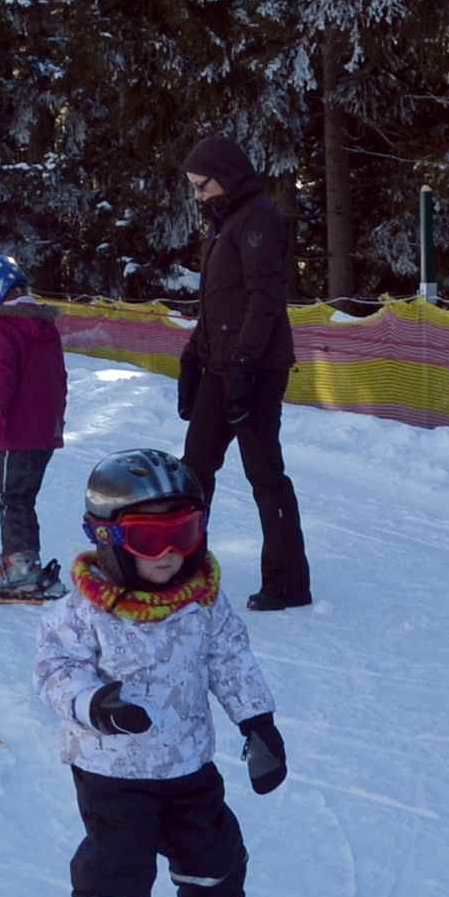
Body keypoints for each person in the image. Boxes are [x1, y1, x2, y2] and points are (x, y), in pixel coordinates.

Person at [33, 449, 300, 897]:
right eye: (149, 538)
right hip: (114, 770)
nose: (170, 553)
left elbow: (230, 660)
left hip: (188, 763)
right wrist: (96, 704)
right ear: (105, 538)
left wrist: (258, 725)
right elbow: (56, 673)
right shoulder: (82, 610)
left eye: (183, 531)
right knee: (119, 867)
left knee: (216, 852)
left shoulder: (201, 600)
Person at [176, 133, 312, 610]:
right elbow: (218, 304)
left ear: (227, 177)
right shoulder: (224, 223)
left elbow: (265, 300)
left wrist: (243, 365)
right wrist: (194, 354)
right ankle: (183, 571)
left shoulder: (260, 221)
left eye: (202, 186)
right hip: (221, 365)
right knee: (194, 469)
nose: (198, 196)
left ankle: (288, 580)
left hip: (255, 368)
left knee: (264, 472)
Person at [0, 249, 66, 599]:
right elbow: (58, 378)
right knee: (22, 494)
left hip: (17, 427)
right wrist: (55, 421)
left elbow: (1, 375)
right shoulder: (41, 322)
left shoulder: (2, 324)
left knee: (10, 494)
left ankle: (21, 565)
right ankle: (19, 558)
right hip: (44, 429)